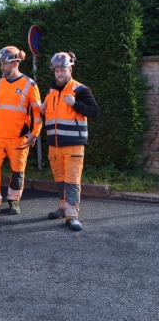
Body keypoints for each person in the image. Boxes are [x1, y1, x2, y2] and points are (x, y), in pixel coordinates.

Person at [41, 52, 100, 231]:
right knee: (60, 180)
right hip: (54, 146)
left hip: (73, 145)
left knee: (72, 181)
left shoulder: (80, 90)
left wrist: (75, 104)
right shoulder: (50, 94)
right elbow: (52, 118)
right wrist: (42, 111)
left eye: (63, 70)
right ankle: (63, 207)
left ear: (70, 69)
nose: (59, 74)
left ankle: (72, 215)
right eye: (57, 70)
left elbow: (95, 112)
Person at [0, 46, 42, 218]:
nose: (1, 67)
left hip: (18, 138)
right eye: (1, 64)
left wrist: (34, 133)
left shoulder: (30, 85)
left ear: (15, 63)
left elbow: (38, 113)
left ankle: (13, 199)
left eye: (4, 64)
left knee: (18, 171)